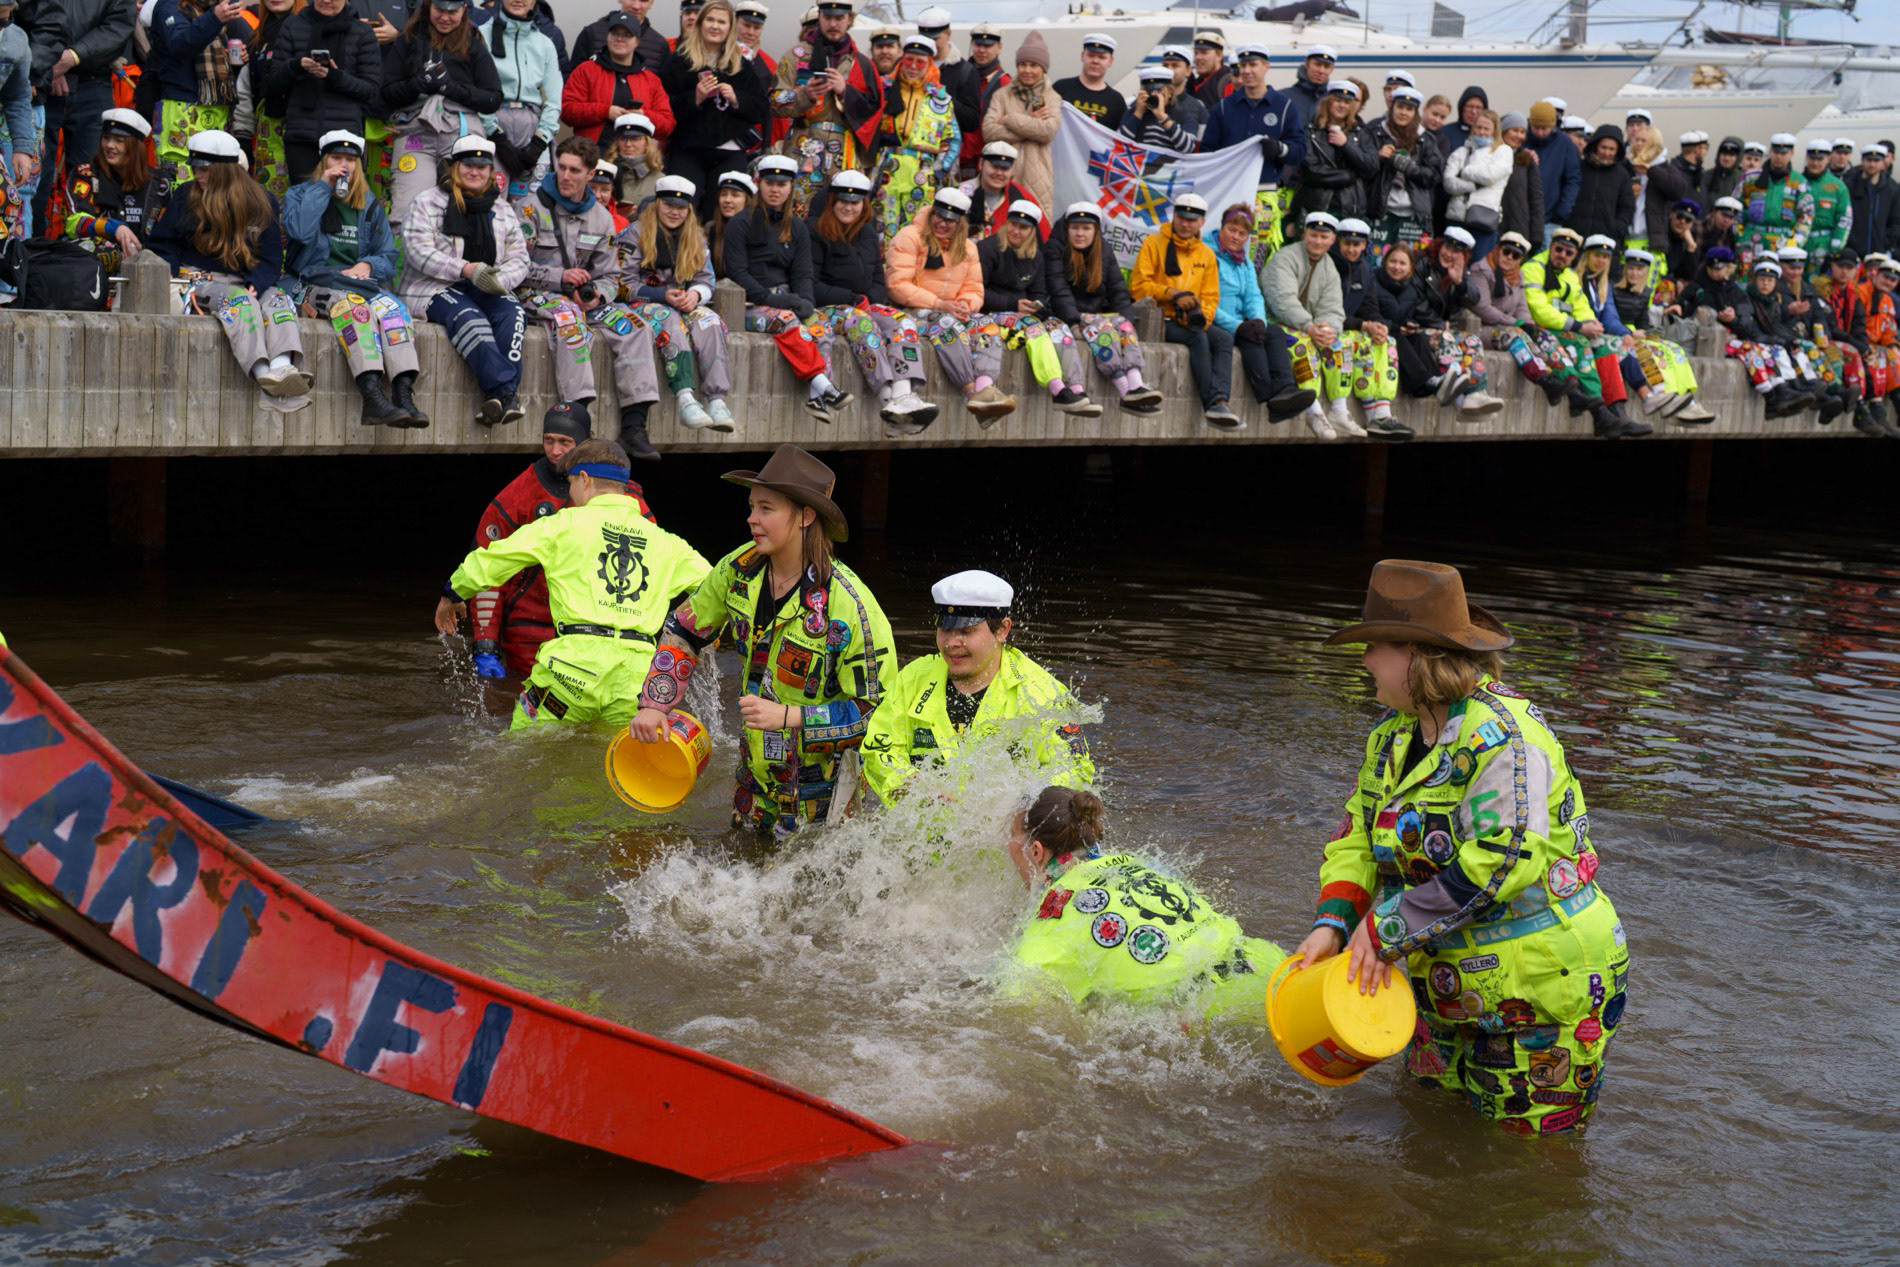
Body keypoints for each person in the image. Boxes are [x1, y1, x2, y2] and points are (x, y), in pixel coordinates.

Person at [1295, 559, 1629, 1136]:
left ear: (1415, 655)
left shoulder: (1507, 738)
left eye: (1375, 646)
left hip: (1540, 988)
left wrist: (1384, 929)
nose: (1365, 659)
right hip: (1441, 979)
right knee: (1430, 1135)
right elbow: (1357, 836)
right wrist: (1334, 923)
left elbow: (1502, 861)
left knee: (1527, 1162)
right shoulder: (1393, 735)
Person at [632, 444, 898, 838]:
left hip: (822, 799)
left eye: (766, 509)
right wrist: (655, 704)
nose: (751, 519)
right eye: (752, 506)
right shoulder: (737, 570)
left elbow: (876, 716)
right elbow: (685, 630)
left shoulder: (851, 607)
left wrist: (790, 717)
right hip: (752, 781)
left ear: (806, 516)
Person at [439, 437, 710, 731]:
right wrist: (707, 628)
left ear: (584, 479)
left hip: (571, 672)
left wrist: (452, 594)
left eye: (570, 483)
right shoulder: (667, 542)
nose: (570, 493)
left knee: (523, 748)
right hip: (637, 680)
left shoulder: (561, 525)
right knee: (618, 755)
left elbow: (493, 560)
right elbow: (717, 586)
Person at [459, 402, 645, 712]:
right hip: (529, 627)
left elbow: (648, 562)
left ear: (584, 443)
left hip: (597, 629)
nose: (555, 451)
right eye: (548, 440)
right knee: (521, 711)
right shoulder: (520, 493)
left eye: (564, 442)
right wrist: (486, 645)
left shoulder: (622, 494)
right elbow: (487, 565)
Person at [861, 569, 1092, 805]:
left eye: (966, 631)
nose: (951, 643)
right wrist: (910, 783)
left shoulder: (1043, 693)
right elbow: (879, 749)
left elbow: (1075, 773)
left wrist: (1019, 804)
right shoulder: (913, 679)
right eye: (945, 629)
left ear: (1002, 630)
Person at [511, 133, 671, 454]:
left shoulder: (601, 218)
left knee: (635, 326)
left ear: (589, 174)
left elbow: (611, 275)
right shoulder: (529, 208)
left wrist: (597, 295)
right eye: (562, 168)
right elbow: (513, 267)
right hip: (533, 292)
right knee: (570, 320)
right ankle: (576, 418)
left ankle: (634, 426)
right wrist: (560, 277)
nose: (566, 176)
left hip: (582, 300)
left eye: (575, 170)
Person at [147, 129, 312, 405]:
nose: (197, 174)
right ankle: (264, 375)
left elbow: (271, 258)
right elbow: (164, 244)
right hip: (200, 281)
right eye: (195, 167)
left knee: (280, 300)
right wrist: (172, 278)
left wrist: (256, 283)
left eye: (204, 169)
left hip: (247, 281)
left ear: (225, 170)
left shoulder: (262, 200)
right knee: (239, 301)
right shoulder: (186, 195)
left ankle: (283, 368)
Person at [282, 129, 428, 427]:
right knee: (355, 309)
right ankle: (372, 397)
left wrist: (369, 265)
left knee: (395, 310)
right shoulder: (300, 194)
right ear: (324, 161)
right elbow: (299, 231)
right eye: (336, 158)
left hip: (358, 283)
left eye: (350, 159)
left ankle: (403, 395)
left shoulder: (369, 203)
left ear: (359, 164)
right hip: (312, 284)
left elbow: (388, 255)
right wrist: (322, 188)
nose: (343, 165)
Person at [397, 133, 530, 427]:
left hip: (486, 285)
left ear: (490, 171)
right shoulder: (427, 202)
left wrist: (500, 280)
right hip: (434, 287)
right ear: (454, 166)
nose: (474, 172)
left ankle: (498, 400)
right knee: (470, 318)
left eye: (482, 167)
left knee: (514, 313)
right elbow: (418, 252)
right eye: (468, 165)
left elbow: (520, 259)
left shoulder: (503, 209)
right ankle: (505, 394)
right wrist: (465, 269)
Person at [805, 168, 937, 435]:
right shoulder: (815, 230)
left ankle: (903, 395)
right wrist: (852, 299)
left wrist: (872, 300)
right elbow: (811, 284)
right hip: (829, 307)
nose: (848, 207)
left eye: (855, 202)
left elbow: (877, 276)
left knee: (902, 322)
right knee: (863, 324)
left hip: (864, 304)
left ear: (863, 204)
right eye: (843, 200)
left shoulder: (867, 232)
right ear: (833, 200)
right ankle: (887, 400)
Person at [725, 152, 854, 420]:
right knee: (787, 321)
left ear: (790, 187)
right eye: (770, 183)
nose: (775, 190)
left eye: (781, 184)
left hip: (788, 298)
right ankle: (824, 386)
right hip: (751, 304)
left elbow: (803, 272)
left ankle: (816, 399)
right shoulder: (740, 223)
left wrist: (806, 300)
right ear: (759, 184)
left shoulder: (797, 226)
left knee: (820, 324)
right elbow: (737, 273)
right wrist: (770, 299)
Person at [622, 171, 742, 434]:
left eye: (681, 207)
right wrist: (660, 295)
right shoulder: (634, 233)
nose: (674, 212)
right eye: (668, 205)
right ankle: (685, 397)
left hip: (682, 302)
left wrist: (695, 295)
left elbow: (706, 279)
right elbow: (621, 283)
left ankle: (717, 400)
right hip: (644, 303)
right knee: (670, 320)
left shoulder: (696, 237)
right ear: (657, 203)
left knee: (710, 321)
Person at [887, 184, 1015, 425]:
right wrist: (940, 304)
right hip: (911, 311)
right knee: (945, 323)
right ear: (932, 213)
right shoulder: (909, 236)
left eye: (950, 220)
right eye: (939, 216)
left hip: (950, 309)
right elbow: (897, 286)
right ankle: (971, 393)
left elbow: (974, 289)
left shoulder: (968, 248)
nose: (942, 223)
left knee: (987, 324)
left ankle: (985, 388)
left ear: (960, 223)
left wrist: (965, 305)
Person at [380, 0, 502, 225]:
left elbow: (493, 99)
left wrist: (451, 88)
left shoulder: (473, 44)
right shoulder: (408, 40)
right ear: (428, 6)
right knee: (408, 210)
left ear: (464, 10)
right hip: (416, 132)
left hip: (460, 133)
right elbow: (386, 94)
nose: (445, 18)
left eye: (452, 12)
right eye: (439, 10)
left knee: (463, 210)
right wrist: (418, 84)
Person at [1521, 226, 1649, 437]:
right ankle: (1599, 412)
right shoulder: (1533, 268)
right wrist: (1580, 327)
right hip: (1541, 328)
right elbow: (1539, 311)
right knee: (1580, 342)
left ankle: (1617, 412)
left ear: (1574, 256)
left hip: (1566, 328)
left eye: (1568, 252)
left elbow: (1581, 305)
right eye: (1559, 249)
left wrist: (1591, 323)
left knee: (1608, 346)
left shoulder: (1569, 275)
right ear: (1551, 247)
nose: (1562, 255)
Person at [976, 199, 1099, 418]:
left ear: (1032, 231)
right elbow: (977, 291)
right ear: (1006, 223)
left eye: (1023, 228)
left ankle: (1076, 389)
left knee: (1058, 326)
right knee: (1033, 328)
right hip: (991, 313)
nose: (1016, 231)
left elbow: (1039, 292)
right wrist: (1013, 305)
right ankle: (1057, 390)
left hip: (1022, 312)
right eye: (1013, 224)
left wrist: (1038, 306)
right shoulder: (987, 248)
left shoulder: (1036, 256)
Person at [1044, 202, 1164, 414]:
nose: (1080, 233)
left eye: (1086, 228)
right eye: (1075, 228)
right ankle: (1125, 391)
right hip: (1064, 315)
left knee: (1123, 324)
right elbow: (1059, 291)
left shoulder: (1104, 250)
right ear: (1067, 228)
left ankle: (1136, 383)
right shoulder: (1055, 249)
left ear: (1096, 230)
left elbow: (1118, 291)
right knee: (1103, 328)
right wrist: (1073, 323)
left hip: (1094, 315)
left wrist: (1127, 324)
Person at [22, 0, 132, 231]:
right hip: (39, 86)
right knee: (33, 181)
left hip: (92, 83)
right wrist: (45, 67)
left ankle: (89, 248)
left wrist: (73, 56)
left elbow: (119, 25)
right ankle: (31, 247)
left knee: (94, 181)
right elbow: (22, 17)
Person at [770, 0, 883, 218]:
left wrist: (846, 92)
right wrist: (804, 94)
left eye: (839, 18)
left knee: (839, 218)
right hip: (802, 148)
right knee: (796, 214)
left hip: (844, 154)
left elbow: (874, 113)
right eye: (828, 17)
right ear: (819, 17)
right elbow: (774, 102)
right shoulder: (795, 55)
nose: (833, 24)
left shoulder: (862, 63)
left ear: (849, 20)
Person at [1262, 210, 1370, 439]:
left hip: (1309, 325)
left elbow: (1333, 309)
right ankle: (1314, 413)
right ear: (1305, 234)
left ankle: (1339, 411)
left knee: (1340, 342)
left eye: (1324, 237)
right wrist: (1309, 327)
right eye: (1313, 235)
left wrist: (1328, 329)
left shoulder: (1330, 267)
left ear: (1332, 240)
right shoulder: (1285, 257)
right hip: (1274, 323)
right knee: (1304, 343)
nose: (1318, 241)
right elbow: (1282, 301)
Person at [1131, 194, 1235, 428]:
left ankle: (1222, 400)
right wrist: (1171, 293)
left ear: (1202, 222)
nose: (1185, 224)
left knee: (1224, 339)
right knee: (1198, 339)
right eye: (1181, 218)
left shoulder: (1207, 254)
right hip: (1159, 318)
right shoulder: (1153, 243)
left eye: (1191, 220)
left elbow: (1211, 296)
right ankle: (1213, 403)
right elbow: (1138, 287)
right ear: (1174, 217)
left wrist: (1202, 319)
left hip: (1190, 320)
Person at [1576, 234, 1703, 424]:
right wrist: (1629, 333)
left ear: (1646, 272)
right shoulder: (1608, 286)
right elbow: (1609, 319)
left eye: (1639, 269)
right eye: (1631, 268)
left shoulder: (1628, 289)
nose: (1634, 273)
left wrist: (1649, 333)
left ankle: (1686, 400)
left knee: (1674, 349)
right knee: (1646, 351)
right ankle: (1662, 396)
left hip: (1621, 334)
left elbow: (1637, 320)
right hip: (1606, 335)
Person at [661, 0, 768, 219]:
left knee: (723, 216)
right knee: (681, 211)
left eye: (721, 22)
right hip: (688, 149)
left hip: (729, 151)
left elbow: (762, 109)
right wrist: (695, 98)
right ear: (700, 23)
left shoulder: (741, 65)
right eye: (710, 20)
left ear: (730, 27)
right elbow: (663, 106)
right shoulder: (679, 61)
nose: (715, 26)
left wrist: (737, 99)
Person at [1200, 43, 1305, 265]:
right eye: (1243, 66)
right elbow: (1208, 152)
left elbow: (1299, 151)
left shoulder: (1285, 107)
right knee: (1221, 256)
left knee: (1258, 260)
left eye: (1253, 65)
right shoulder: (1224, 108)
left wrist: (1279, 149)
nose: (1247, 71)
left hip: (1264, 195)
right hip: (1229, 193)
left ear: (1266, 67)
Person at [64, 109, 174, 279]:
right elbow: (74, 224)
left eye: (119, 140)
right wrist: (111, 227)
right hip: (94, 272)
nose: (109, 145)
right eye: (106, 137)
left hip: (145, 273)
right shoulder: (86, 175)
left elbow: (167, 237)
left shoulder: (159, 184)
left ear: (135, 146)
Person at [1469, 230, 1573, 409]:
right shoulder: (1481, 269)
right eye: (1506, 252)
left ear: (1520, 260)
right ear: (1498, 250)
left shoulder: (1518, 275)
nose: (1509, 258)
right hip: (1482, 329)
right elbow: (1483, 309)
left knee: (1543, 335)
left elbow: (1522, 308)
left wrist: (1530, 326)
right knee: (1516, 334)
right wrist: (1517, 323)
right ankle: (1545, 380)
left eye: (1515, 255)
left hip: (1505, 328)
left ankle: (1568, 383)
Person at [870, 34, 958, 242]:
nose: (912, 66)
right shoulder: (884, 89)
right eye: (908, 59)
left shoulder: (940, 99)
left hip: (922, 169)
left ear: (929, 64)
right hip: (888, 166)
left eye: (920, 62)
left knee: (919, 229)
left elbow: (952, 140)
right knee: (882, 226)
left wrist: (940, 169)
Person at [147, 0, 254, 167]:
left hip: (218, 108)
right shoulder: (169, 5)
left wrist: (233, 61)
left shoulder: (212, 9)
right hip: (181, 108)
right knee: (180, 176)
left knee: (217, 177)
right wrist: (215, 18)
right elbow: (179, 44)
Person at [1326, 215, 1406, 437]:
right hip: (1330, 327)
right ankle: (1346, 410)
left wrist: (1378, 325)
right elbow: (1326, 311)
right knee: (1351, 340)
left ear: (1364, 245)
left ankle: (1380, 414)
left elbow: (1370, 307)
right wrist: (1363, 325)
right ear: (1338, 242)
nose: (1351, 249)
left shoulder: (1365, 270)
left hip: (1354, 327)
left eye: (1357, 244)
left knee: (1387, 341)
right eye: (1347, 243)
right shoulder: (1328, 264)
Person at [561, 10, 673, 153]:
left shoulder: (651, 80)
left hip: (635, 157)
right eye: (615, 33)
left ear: (637, 42)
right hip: (592, 154)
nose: (619, 39)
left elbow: (667, 124)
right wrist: (605, 111)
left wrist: (643, 116)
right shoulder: (586, 70)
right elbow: (567, 110)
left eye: (627, 35)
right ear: (607, 36)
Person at [487, 0, 564, 198]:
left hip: (532, 127)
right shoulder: (481, 35)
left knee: (530, 206)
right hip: (493, 125)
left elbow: (553, 101)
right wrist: (496, 138)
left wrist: (539, 143)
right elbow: (475, 91)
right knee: (491, 199)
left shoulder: (545, 44)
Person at [1778, 243, 1859, 427]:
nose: (1796, 272)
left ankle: (1836, 394)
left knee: (1831, 351)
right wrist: (1788, 311)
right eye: (1791, 268)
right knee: (1811, 350)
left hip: (1808, 338)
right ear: (1781, 266)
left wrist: (1824, 334)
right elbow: (1770, 318)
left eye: (1800, 268)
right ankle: (1833, 392)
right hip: (1786, 338)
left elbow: (1819, 316)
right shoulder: (1774, 287)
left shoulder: (1807, 289)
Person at [228, 0, 301, 195]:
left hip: (304, 134)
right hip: (267, 140)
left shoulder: (310, 30)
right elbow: (246, 91)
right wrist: (243, 139)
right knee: (270, 203)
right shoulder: (257, 39)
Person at [980, 32, 1056, 214]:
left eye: (1033, 65)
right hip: (1002, 176)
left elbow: (1047, 132)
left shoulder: (1052, 97)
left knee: (1034, 225)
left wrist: (1008, 119)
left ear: (1043, 68)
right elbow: (988, 132)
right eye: (1023, 64)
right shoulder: (1001, 95)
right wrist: (1030, 124)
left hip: (1038, 180)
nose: (1027, 70)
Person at [1366, 85, 1439, 256]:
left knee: (1413, 264)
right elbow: (1363, 170)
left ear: (1415, 113)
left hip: (1415, 215)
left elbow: (1434, 177)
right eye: (1400, 107)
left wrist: (1412, 169)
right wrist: (1377, 157)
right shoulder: (1375, 134)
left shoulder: (1426, 139)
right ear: (1392, 107)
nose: (1403, 113)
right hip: (1380, 213)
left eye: (1409, 109)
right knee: (1376, 261)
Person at [1289, 79, 1374, 225]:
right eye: (1338, 100)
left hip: (1350, 208)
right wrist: (1348, 176)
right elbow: (1309, 170)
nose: (1342, 105)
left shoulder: (1361, 133)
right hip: (1315, 206)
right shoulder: (1310, 131)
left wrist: (1346, 145)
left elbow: (1371, 167)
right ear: (1328, 102)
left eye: (1347, 102)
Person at [1442, 108, 1510, 259]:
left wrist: (1465, 171)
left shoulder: (1503, 152)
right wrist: (1472, 186)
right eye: (1478, 127)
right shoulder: (1461, 152)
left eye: (1486, 128)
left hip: (1483, 220)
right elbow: (1448, 182)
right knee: (1451, 261)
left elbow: (1490, 176)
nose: (1481, 132)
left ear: (1495, 131)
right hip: (1456, 217)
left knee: (1479, 266)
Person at [1737, 134, 1814, 265]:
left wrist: (1796, 242)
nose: (1779, 157)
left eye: (1783, 153)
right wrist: (1739, 236)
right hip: (1751, 238)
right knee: (1746, 275)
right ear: (1770, 152)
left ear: (1792, 153)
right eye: (1776, 152)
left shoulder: (1799, 182)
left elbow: (1807, 216)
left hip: (1783, 241)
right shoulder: (1750, 178)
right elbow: (1736, 207)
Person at [942, 20, 1005, 177]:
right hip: (951, 157)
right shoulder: (957, 73)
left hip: (984, 162)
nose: (982, 50)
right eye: (978, 45)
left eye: (988, 46)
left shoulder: (1004, 83)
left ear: (999, 47)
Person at [955, 140, 1046, 242]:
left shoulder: (1022, 196)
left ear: (1012, 171)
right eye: (994, 166)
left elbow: (1044, 236)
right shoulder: (959, 193)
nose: (999, 173)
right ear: (981, 164)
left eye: (1005, 168)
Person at [1566, 123, 1633, 251]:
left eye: (1612, 149)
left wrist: (1617, 228)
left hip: (1606, 243)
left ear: (1618, 151)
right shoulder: (1579, 167)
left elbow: (1627, 208)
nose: (1607, 153)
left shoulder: (1622, 175)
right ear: (1595, 145)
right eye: (1603, 147)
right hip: (1574, 239)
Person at [1524, 102, 1579, 248]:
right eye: (1536, 128)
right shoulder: (1523, 140)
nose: (1540, 133)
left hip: (1551, 219)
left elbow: (1572, 179)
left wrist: (1562, 211)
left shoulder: (1564, 143)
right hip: (1523, 217)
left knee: (1546, 258)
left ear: (1553, 126)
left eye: (1544, 128)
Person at [1799, 139, 1853, 280]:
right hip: (1799, 242)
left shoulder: (1837, 186)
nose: (1815, 163)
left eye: (1820, 159)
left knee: (1820, 285)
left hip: (1824, 244)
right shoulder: (1797, 182)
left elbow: (1844, 219)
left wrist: (1835, 250)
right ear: (1806, 158)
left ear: (1828, 158)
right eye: (1812, 158)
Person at [570, 0, 669, 71]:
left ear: (651, 3)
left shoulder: (660, 46)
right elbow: (573, 82)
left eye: (644, 0)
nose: (636, 6)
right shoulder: (591, 33)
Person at [1051, 32, 1121, 130]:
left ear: (1110, 61)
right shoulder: (1060, 88)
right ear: (1082, 56)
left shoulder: (1116, 101)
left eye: (1102, 57)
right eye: (1091, 55)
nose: (1095, 61)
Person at [1120, 65, 1196, 153]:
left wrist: (1163, 117)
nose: (1153, 95)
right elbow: (1118, 144)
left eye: (1158, 91)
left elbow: (1188, 148)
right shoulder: (1133, 112)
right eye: (1149, 91)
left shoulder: (1183, 115)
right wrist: (1138, 114)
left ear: (1170, 92)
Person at [1846, 143, 1900, 258]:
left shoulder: (1892, 189)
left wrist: (1885, 242)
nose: (1872, 164)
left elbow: (1895, 221)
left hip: (1880, 253)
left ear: (1883, 162)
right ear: (1862, 161)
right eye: (1869, 160)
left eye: (1876, 160)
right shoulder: (1849, 186)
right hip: (1853, 254)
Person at [605, 111, 662, 213]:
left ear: (647, 142)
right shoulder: (606, 172)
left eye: (635, 139)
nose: (628, 144)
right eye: (623, 138)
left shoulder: (659, 180)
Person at [1154, 45, 1207, 143]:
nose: (1169, 70)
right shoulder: (1148, 103)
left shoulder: (1196, 107)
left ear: (1188, 71)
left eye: (1175, 66)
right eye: (1165, 65)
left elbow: (1202, 146)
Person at [707, 168, 752, 273]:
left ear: (747, 201)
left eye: (735, 195)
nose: (727, 200)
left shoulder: (756, 228)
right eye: (723, 194)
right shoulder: (711, 228)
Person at [1183, 30, 1231, 110]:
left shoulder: (1228, 81)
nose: (1198, 57)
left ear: (1219, 56)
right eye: (1196, 53)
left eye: (1204, 53)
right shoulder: (1193, 83)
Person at [1705, 136, 1745, 204]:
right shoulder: (1707, 176)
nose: (1727, 158)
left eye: (1731, 155)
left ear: (1738, 157)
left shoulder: (1742, 180)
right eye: (1724, 154)